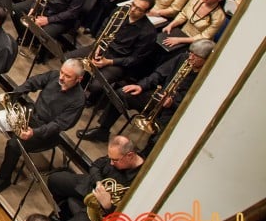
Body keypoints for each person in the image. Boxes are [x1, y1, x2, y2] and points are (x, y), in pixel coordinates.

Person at [0, 59, 85, 193]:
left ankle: (3, 179)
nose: (61, 77)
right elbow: (33, 82)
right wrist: (13, 96)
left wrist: (34, 133)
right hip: (31, 114)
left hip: (46, 132)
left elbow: (58, 125)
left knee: (14, 144)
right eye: (61, 72)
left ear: (79, 79)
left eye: (67, 76)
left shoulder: (78, 100)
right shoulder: (54, 76)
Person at [79, 40, 214, 149]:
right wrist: (140, 86)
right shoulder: (183, 58)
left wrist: (173, 103)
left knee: (161, 134)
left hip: (175, 109)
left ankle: (143, 157)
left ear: (207, 59)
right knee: (122, 94)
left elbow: (195, 103)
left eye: (196, 57)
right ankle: (103, 130)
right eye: (190, 53)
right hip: (159, 97)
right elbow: (159, 73)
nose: (191, 58)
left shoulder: (208, 76)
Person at [48, 135, 144, 221]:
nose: (111, 163)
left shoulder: (142, 179)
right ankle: (65, 215)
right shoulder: (116, 156)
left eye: (115, 160)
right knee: (55, 180)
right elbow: (96, 165)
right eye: (110, 158)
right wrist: (99, 182)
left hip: (104, 211)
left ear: (130, 155)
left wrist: (108, 205)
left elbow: (129, 213)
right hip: (92, 186)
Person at [64, 0, 157, 104]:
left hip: (117, 61)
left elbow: (134, 59)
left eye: (138, 9)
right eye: (133, 4)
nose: (132, 9)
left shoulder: (148, 33)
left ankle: (87, 98)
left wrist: (108, 62)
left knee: (95, 86)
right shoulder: (120, 12)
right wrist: (98, 45)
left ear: (147, 12)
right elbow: (103, 28)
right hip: (100, 48)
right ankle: (75, 87)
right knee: (67, 59)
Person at [160, 0, 227, 49]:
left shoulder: (219, 16)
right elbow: (183, 14)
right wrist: (171, 25)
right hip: (182, 32)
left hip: (198, 45)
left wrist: (179, 40)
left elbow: (204, 36)